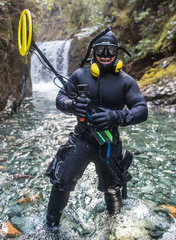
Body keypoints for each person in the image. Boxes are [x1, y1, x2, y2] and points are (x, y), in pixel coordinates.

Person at [45, 29, 148, 228]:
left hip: (109, 143)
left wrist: (117, 116)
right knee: (61, 183)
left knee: (112, 187)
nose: (106, 55)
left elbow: (141, 111)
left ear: (118, 53)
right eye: (101, 49)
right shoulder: (79, 75)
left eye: (111, 50)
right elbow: (60, 99)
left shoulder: (126, 81)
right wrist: (71, 105)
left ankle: (114, 223)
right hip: (80, 141)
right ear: (93, 51)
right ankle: (50, 226)